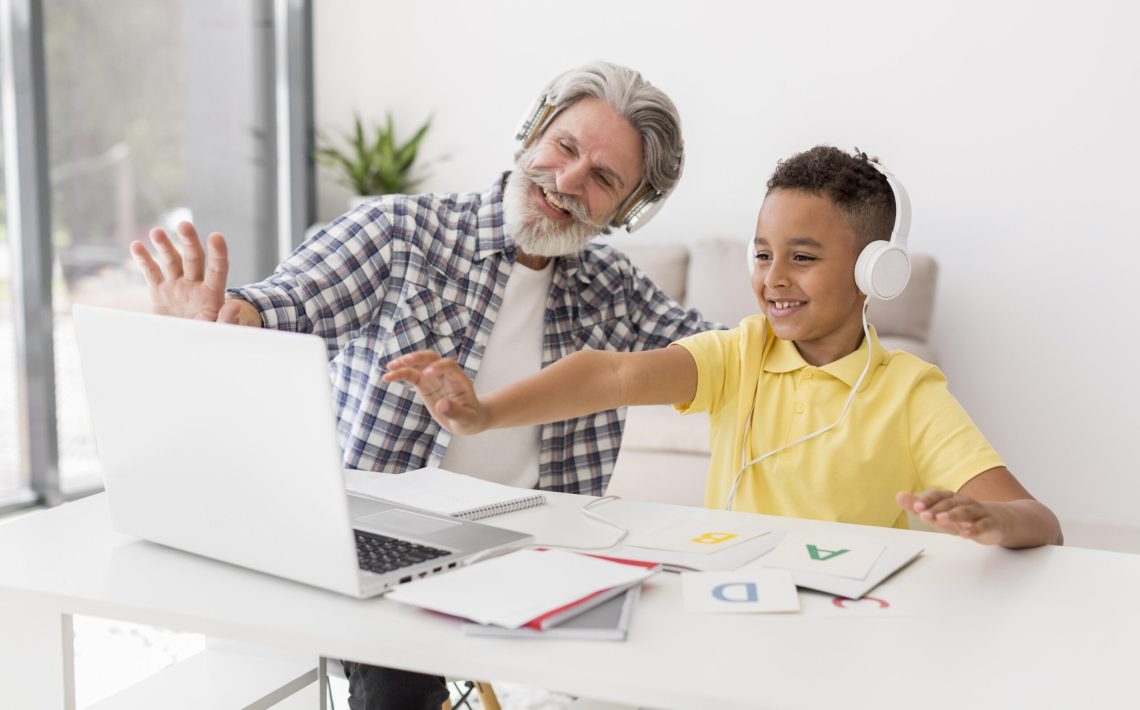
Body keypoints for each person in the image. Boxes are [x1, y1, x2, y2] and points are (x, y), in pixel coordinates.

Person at [129, 61, 718, 709]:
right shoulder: (399, 233)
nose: (569, 180)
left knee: (662, 672)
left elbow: (727, 353)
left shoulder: (614, 288)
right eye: (565, 147)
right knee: (395, 691)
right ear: (532, 132)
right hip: (391, 548)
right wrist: (221, 316)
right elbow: (280, 305)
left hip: (540, 551)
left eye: (604, 178)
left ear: (628, 211)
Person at [387, 145, 1064, 549]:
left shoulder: (910, 392)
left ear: (873, 271)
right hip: (734, 598)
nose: (773, 278)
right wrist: (485, 414)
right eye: (764, 253)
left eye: (803, 257)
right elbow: (614, 374)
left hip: (849, 624)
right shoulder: (739, 353)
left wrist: (993, 521)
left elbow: (1040, 520)